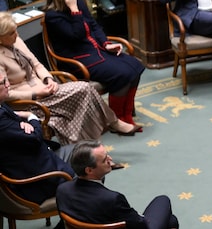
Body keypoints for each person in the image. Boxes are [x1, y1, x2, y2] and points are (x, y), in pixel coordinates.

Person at [0, 13, 137, 141]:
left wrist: (49, 79)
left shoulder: (16, 40)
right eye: (12, 33)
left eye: (16, 30)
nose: (17, 35)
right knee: (84, 89)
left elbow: (37, 65)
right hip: (28, 102)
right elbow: (6, 94)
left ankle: (86, 147)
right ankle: (113, 124)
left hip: (46, 89)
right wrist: (35, 94)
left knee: (84, 101)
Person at [44, 0, 145, 127]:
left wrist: (106, 44)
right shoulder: (52, 16)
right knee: (122, 74)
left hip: (96, 50)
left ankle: (126, 114)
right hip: (78, 58)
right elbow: (76, 35)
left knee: (136, 65)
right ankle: (116, 120)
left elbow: (93, 25)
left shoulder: (78, 1)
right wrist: (74, 9)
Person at [57, 140, 180, 228]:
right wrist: (140, 217)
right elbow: (140, 225)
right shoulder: (112, 199)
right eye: (105, 160)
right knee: (163, 201)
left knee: (171, 222)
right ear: (89, 170)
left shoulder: (62, 189)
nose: (111, 160)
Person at [0, 71, 75, 207]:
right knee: (91, 164)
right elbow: (34, 138)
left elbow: (24, 132)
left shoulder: (2, 105)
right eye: (3, 82)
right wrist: (30, 117)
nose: (8, 84)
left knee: (87, 151)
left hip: (38, 159)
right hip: (35, 181)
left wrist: (21, 124)